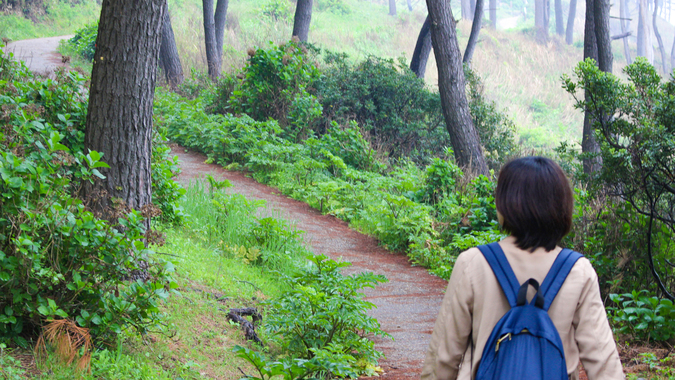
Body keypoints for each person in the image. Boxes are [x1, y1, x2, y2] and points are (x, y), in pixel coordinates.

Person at [420, 156, 624, 380]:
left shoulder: (473, 263)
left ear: (505, 205)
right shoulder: (578, 271)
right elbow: (604, 365)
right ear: (562, 206)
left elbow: (442, 359)